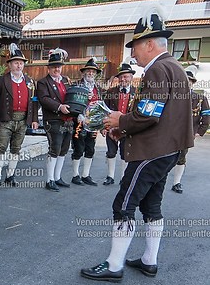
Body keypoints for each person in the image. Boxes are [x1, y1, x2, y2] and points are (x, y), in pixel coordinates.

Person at [81, 9, 194, 282]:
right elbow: (160, 116)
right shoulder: (175, 68)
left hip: (151, 152)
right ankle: (149, 261)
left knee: (124, 204)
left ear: (150, 44)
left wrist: (120, 120)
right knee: (152, 206)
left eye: (135, 47)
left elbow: (148, 114)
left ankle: (114, 265)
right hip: (167, 151)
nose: (133, 55)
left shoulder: (157, 69)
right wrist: (126, 129)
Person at [0, 43, 39, 188]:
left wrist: (34, 119)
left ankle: (10, 175)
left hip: (23, 120)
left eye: (21, 63)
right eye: (16, 63)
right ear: (10, 64)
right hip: (5, 119)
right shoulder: (1, 80)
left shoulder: (30, 81)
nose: (19, 66)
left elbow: (34, 101)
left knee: (16, 148)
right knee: (1, 147)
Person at [36, 48, 73, 192]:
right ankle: (49, 179)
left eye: (58, 66)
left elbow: (71, 96)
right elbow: (44, 99)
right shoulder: (43, 82)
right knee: (55, 148)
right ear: (49, 68)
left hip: (68, 120)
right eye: (53, 66)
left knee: (64, 149)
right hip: (53, 120)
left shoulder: (66, 81)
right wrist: (59, 107)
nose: (56, 69)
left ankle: (57, 177)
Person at [170, 69, 210, 193]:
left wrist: (200, 132)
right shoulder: (172, 97)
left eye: (189, 81)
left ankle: (176, 182)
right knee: (164, 156)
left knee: (181, 157)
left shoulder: (200, 98)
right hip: (170, 132)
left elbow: (206, 116)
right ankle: (159, 180)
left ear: (192, 83)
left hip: (187, 133)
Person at [101, 63, 136, 185]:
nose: (123, 79)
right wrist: (104, 127)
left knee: (125, 153)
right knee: (111, 152)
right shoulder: (111, 92)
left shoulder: (136, 93)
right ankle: (110, 176)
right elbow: (104, 110)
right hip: (112, 127)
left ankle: (123, 177)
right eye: (121, 77)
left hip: (128, 128)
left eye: (126, 76)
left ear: (131, 77)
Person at [70, 58, 102, 186]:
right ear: (84, 73)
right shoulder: (77, 85)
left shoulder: (98, 89)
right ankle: (75, 175)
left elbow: (100, 104)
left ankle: (85, 175)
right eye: (88, 71)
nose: (90, 73)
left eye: (93, 72)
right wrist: (78, 114)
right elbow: (71, 102)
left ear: (95, 74)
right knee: (78, 148)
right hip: (79, 122)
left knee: (90, 149)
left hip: (93, 123)